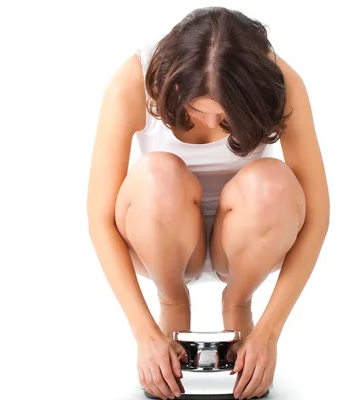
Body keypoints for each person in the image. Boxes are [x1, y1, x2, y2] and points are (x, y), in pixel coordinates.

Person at [87, 6, 329, 400]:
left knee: (274, 182)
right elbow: (99, 219)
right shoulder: (131, 81)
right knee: (156, 174)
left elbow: (316, 216)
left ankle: (238, 305)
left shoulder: (282, 82)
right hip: (160, 232)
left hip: (247, 237)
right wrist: (144, 333)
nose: (213, 124)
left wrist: (270, 331)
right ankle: (173, 303)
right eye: (200, 111)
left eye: (227, 116)